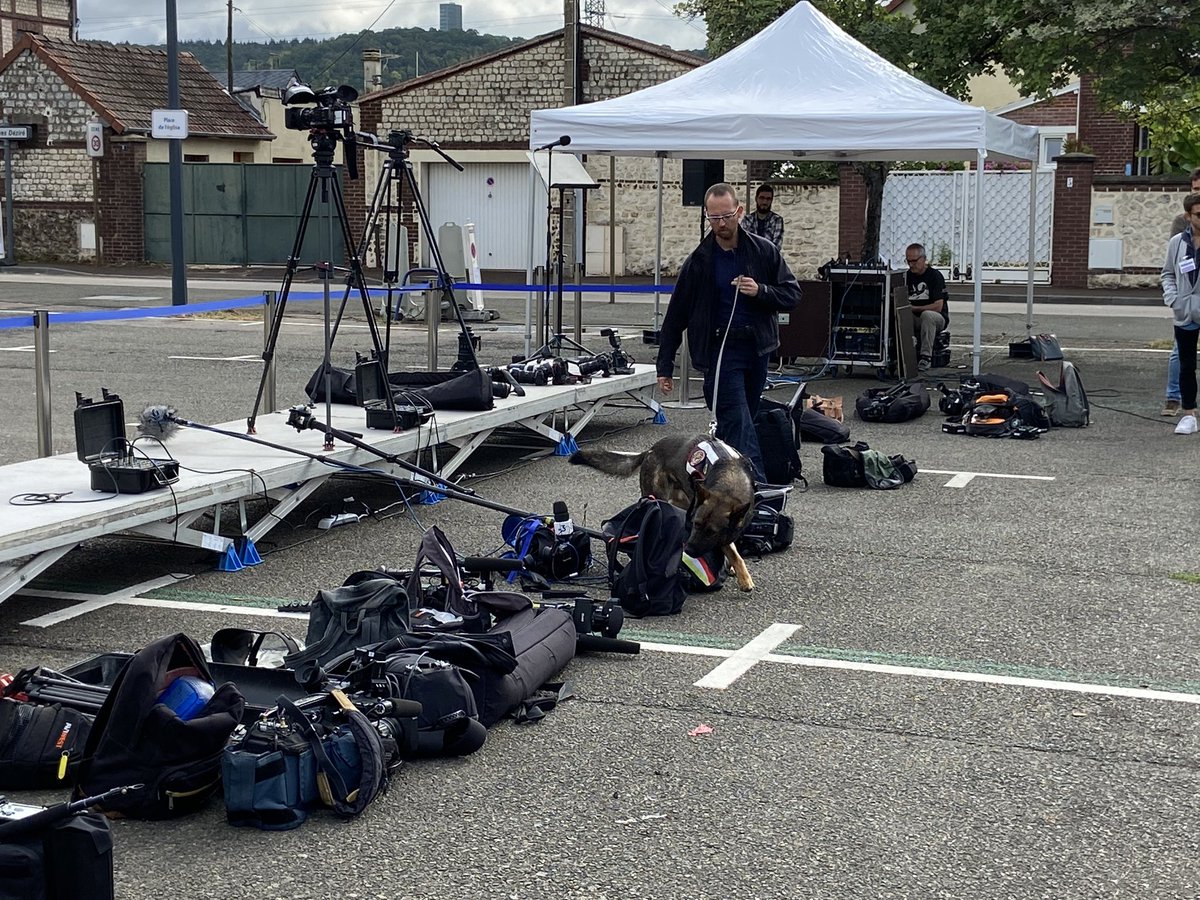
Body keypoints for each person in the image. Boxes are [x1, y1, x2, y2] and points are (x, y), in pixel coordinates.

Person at [656, 182, 800, 482]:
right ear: (706, 217)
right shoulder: (698, 262)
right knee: (739, 422)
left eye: (727, 216)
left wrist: (760, 291)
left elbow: (792, 294)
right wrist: (665, 365)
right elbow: (675, 315)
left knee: (740, 419)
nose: (721, 224)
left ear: (740, 212)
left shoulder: (764, 251)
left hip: (757, 348)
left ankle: (722, 484)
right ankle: (758, 489)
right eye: (714, 218)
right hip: (721, 351)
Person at [1162, 167, 1200, 416]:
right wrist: (1173, 298)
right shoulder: (1180, 226)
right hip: (1185, 307)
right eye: (1196, 189)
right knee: (1181, 356)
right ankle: (1175, 398)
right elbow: (1170, 269)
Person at [904, 242, 949, 372]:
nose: (911, 264)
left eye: (914, 261)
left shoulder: (935, 276)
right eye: (908, 261)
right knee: (900, 315)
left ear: (923, 259)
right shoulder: (906, 276)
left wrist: (914, 309)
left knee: (927, 315)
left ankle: (926, 357)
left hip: (936, 318)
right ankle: (901, 354)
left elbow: (938, 306)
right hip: (913, 317)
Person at [740, 183, 784, 250]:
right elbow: (743, 243)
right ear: (756, 198)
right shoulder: (747, 219)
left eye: (768, 199)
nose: (764, 202)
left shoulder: (777, 220)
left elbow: (776, 247)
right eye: (762, 198)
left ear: (771, 200)